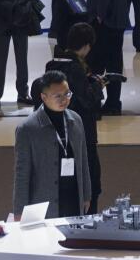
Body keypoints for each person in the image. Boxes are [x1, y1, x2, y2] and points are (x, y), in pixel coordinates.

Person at [12, 70, 91, 218]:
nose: (64, 100)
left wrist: (86, 194)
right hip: (43, 204)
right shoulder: (27, 129)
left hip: (73, 197)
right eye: (57, 96)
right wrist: (19, 211)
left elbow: (83, 161)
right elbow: (21, 174)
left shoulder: (76, 120)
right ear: (44, 97)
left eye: (67, 94)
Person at [52, 22, 103, 213]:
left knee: (66, 183)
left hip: (60, 135)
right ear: (87, 45)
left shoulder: (55, 63)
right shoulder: (75, 68)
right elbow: (88, 100)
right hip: (83, 135)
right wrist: (97, 87)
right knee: (91, 182)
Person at [85, 0, 127, 114]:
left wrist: (99, 16)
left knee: (96, 63)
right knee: (115, 63)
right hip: (118, 21)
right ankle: (114, 102)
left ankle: (94, 101)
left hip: (105, 23)